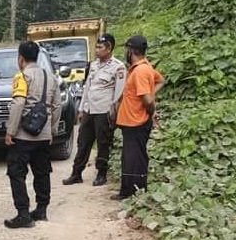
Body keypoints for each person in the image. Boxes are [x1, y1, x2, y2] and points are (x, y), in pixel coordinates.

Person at [4, 41, 61, 228]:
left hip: (23, 135)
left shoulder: (22, 76)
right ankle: (41, 210)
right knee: (42, 172)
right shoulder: (50, 77)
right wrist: (52, 130)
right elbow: (57, 106)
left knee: (16, 172)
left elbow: (19, 104)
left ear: (20, 58)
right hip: (43, 135)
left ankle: (23, 214)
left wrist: (10, 131)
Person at [63, 33, 126, 187]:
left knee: (103, 143)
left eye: (100, 47)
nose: (97, 50)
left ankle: (101, 174)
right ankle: (76, 173)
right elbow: (87, 88)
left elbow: (119, 93)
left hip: (104, 111)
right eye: (96, 47)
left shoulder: (118, 67)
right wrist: (82, 109)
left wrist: (114, 113)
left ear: (109, 48)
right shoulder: (93, 65)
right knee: (83, 142)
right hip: (90, 110)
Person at [112, 35, 164, 200]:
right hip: (132, 120)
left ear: (131, 50)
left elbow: (147, 100)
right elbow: (160, 80)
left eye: (126, 50)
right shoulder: (143, 67)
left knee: (134, 158)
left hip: (136, 121)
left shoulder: (140, 71)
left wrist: (151, 109)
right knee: (132, 157)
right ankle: (130, 190)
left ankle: (133, 192)